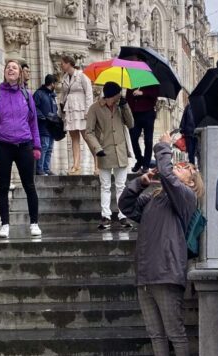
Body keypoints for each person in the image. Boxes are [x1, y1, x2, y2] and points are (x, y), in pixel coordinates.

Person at [118, 134, 204, 356]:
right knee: (155, 331)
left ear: (191, 182)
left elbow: (167, 175)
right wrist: (140, 182)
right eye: (180, 164)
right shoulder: (156, 198)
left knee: (174, 331)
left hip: (167, 270)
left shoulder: (185, 197)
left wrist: (164, 146)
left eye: (186, 168)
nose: (180, 166)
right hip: (146, 271)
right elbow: (126, 206)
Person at [0, 59, 41, 239]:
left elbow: (33, 122)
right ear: (5, 72)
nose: (11, 70)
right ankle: (5, 224)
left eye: (14, 67)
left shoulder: (26, 95)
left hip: (24, 144)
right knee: (3, 186)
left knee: (29, 185)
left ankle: (34, 223)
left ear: (20, 73)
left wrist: (36, 145)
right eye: (8, 67)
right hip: (2, 146)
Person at [85, 82, 134, 230]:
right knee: (105, 185)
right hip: (104, 151)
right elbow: (89, 132)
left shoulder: (121, 106)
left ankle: (122, 215)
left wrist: (125, 106)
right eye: (118, 94)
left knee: (121, 186)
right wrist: (97, 148)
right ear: (111, 95)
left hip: (120, 152)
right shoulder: (95, 108)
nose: (120, 96)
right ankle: (105, 216)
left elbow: (131, 124)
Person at [59, 56, 95, 175]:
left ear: (69, 63)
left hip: (81, 109)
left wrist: (88, 111)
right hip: (70, 110)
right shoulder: (64, 78)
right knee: (74, 138)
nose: (61, 65)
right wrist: (61, 112)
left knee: (88, 137)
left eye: (62, 63)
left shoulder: (82, 75)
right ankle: (76, 166)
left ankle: (98, 163)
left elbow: (89, 93)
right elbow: (63, 96)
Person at [127, 83, 160, 172]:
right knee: (133, 138)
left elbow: (155, 94)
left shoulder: (152, 81)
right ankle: (139, 159)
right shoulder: (132, 82)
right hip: (135, 114)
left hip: (148, 113)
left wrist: (142, 93)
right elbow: (128, 97)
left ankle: (146, 164)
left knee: (148, 140)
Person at [33, 74, 58, 175]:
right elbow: (34, 107)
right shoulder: (39, 94)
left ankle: (46, 168)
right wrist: (42, 117)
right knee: (44, 146)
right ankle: (40, 169)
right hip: (43, 126)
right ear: (52, 84)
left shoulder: (52, 96)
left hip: (52, 127)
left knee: (50, 148)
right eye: (55, 83)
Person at [178, 91, 198, 165]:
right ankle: (191, 166)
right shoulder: (188, 107)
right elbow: (184, 118)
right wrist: (182, 129)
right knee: (190, 152)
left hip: (198, 133)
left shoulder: (200, 106)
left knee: (198, 151)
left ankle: (199, 167)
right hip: (189, 132)